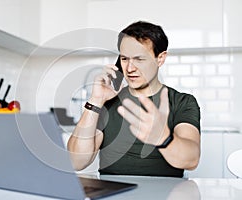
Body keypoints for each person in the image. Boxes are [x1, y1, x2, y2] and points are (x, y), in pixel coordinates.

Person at [67, 21, 201, 177]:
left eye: (139, 59)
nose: (130, 68)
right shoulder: (106, 103)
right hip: (113, 193)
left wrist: (163, 138)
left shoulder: (182, 102)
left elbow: (191, 160)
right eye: (124, 59)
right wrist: (96, 100)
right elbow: (76, 162)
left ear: (160, 58)